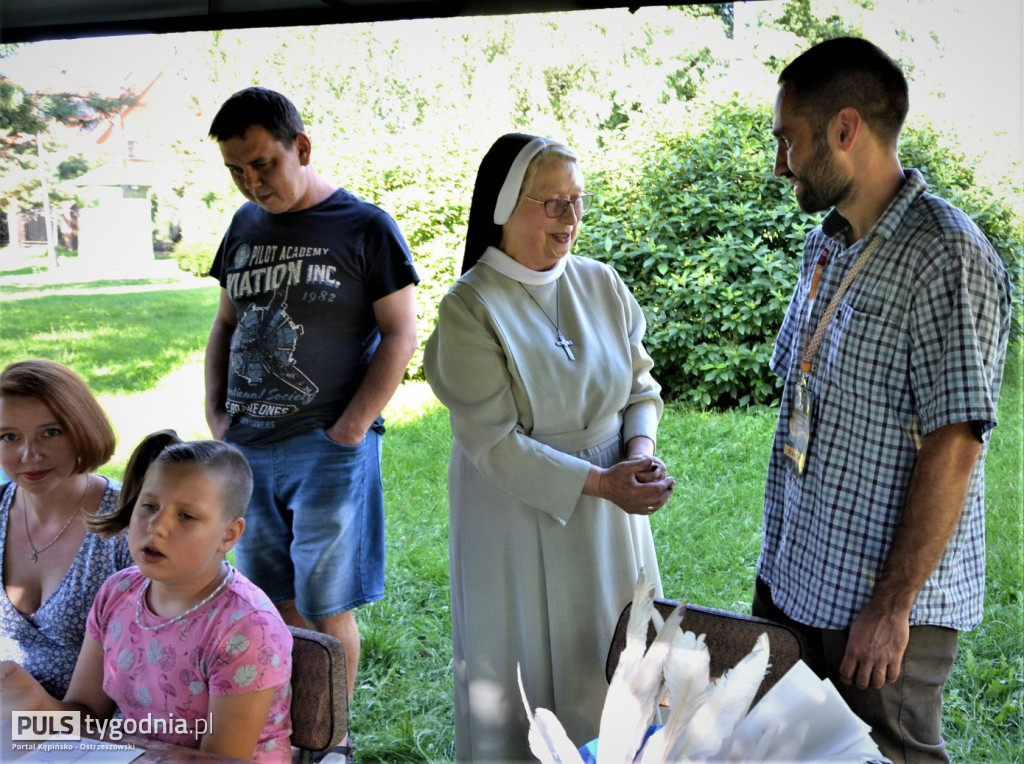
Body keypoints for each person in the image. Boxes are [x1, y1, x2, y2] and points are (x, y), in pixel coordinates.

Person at [755, 37, 1012, 763]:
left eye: (789, 141)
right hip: (799, 576)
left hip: (881, 609)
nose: (780, 164)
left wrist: (892, 606)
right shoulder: (828, 242)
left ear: (845, 130)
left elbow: (956, 445)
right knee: (790, 752)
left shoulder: (948, 257)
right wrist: (773, 578)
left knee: (882, 757)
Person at [424, 133, 676, 760]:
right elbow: (495, 443)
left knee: (610, 653)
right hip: (513, 510)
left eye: (577, 201)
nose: (570, 219)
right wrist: (601, 483)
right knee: (525, 663)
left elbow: (639, 385)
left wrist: (636, 453)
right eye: (553, 202)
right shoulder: (469, 309)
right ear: (506, 205)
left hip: (611, 508)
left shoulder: (602, 284)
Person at [203, 86, 419, 734]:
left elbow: (402, 333)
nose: (251, 181)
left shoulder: (365, 227)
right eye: (236, 170)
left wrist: (350, 428)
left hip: (327, 451)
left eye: (263, 163)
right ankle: (288, 728)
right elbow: (225, 324)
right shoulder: (243, 227)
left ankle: (329, 737)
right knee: (272, 600)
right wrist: (217, 415)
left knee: (328, 609)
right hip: (247, 447)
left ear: (301, 147)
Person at [1, 431, 293, 762]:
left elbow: (222, 760)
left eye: (186, 516)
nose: (156, 526)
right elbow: (86, 715)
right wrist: (32, 703)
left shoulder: (246, 630)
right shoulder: (117, 594)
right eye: (149, 506)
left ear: (229, 534)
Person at [0, 359, 132, 699]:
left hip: (104, 734)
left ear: (82, 429)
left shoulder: (129, 523)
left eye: (50, 432)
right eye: (9, 437)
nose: (30, 455)